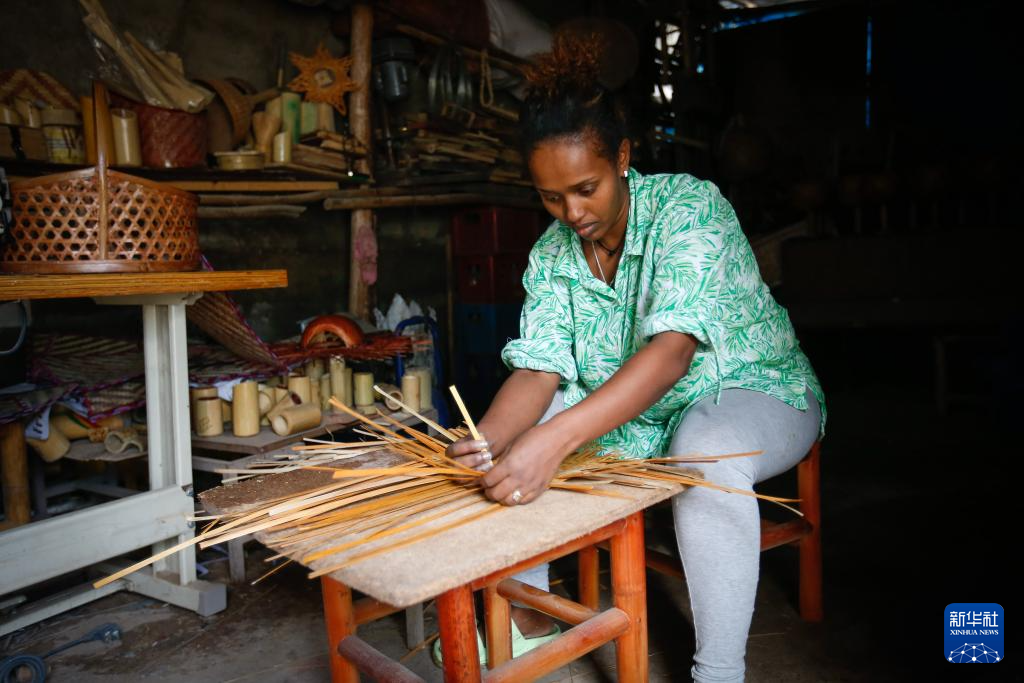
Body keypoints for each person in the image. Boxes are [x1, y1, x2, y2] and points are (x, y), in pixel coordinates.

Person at [446, 34, 826, 682]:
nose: (572, 212)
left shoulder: (688, 209)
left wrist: (552, 439)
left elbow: (671, 354)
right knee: (521, 439)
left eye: (585, 188)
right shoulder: (552, 254)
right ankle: (528, 618)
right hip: (638, 420)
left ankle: (719, 671)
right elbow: (539, 369)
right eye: (549, 196)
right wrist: (488, 439)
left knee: (703, 447)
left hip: (753, 393)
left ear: (623, 156)